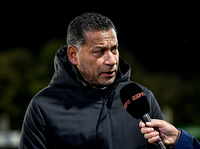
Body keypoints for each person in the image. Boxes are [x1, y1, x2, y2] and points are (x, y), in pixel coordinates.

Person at [19, 12, 164, 149]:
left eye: (114, 49)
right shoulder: (43, 107)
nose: (112, 60)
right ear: (73, 55)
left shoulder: (142, 97)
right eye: (99, 52)